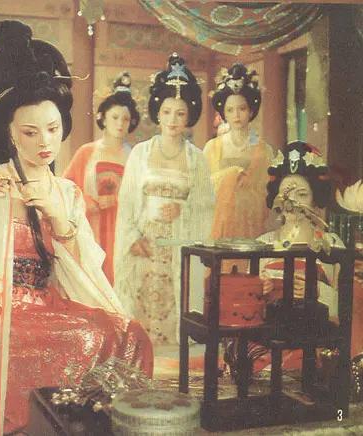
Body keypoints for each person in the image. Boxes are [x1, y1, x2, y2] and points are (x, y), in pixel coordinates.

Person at [0, 20, 153, 435]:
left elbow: (86, 271)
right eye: (30, 131)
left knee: (129, 334)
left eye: (53, 129)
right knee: (76, 339)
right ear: (9, 133)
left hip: (50, 303)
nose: (44, 141)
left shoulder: (67, 192)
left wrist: (60, 221)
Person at [114, 54, 214, 348]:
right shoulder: (140, 153)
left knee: (176, 324)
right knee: (139, 325)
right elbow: (127, 204)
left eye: (180, 113)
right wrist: (132, 239)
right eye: (167, 112)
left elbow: (206, 206)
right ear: (157, 113)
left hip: (179, 248)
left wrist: (182, 209)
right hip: (144, 246)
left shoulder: (197, 159)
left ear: (189, 116)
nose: (172, 120)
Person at [225, 141, 343, 376]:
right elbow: (247, 304)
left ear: (315, 198)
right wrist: (259, 291)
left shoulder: (331, 244)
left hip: (312, 330)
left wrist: (315, 292)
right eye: (286, 194)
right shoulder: (264, 242)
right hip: (268, 332)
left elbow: (344, 305)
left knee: (312, 356)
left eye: (302, 194)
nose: (293, 202)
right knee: (243, 348)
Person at [63, 72, 140, 284]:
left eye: (125, 119)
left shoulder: (134, 156)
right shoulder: (86, 152)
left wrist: (116, 200)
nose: (120, 123)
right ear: (103, 118)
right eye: (115, 117)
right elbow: (67, 187)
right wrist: (87, 201)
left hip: (121, 229)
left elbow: (141, 196)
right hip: (91, 225)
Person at [204, 63, 273, 243]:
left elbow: (269, 194)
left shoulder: (264, 151)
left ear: (251, 110)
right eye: (230, 110)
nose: (236, 115)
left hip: (252, 226)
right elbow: (202, 189)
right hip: (219, 226)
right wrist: (231, 174)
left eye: (242, 109)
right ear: (224, 113)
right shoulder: (212, 147)